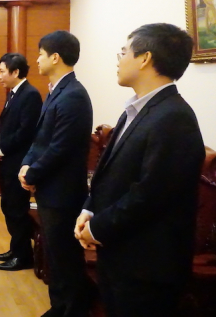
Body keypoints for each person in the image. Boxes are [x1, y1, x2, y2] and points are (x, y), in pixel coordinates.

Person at [75, 24, 205, 317]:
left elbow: (150, 193)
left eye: (123, 52)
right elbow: (112, 173)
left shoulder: (174, 117)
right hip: (120, 253)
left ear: (145, 58)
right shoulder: (138, 109)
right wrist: (90, 209)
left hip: (147, 266)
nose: (119, 60)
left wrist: (97, 228)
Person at [18, 31, 94, 317]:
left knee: (64, 257)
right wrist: (27, 165)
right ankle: (59, 306)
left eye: (40, 54)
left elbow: (61, 147)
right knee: (54, 254)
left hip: (63, 193)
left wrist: (32, 173)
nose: (36, 59)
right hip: (50, 188)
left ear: (55, 57)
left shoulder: (73, 95)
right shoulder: (56, 90)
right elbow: (40, 139)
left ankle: (70, 309)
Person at [0, 53, 42, 271]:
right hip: (6, 160)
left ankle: (23, 256)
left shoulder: (30, 95)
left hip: (18, 162)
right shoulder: (13, 94)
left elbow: (26, 132)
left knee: (17, 209)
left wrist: (1, 149)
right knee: (8, 207)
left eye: (2, 71)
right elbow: (4, 126)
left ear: (15, 72)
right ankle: (16, 248)